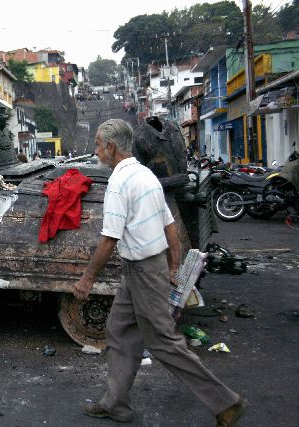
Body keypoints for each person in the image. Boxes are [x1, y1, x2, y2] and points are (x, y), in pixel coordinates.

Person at [74, 119, 245, 426]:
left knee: (163, 342)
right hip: (141, 268)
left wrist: (87, 278)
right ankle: (116, 403)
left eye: (98, 145)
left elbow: (109, 238)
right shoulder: (146, 176)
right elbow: (170, 226)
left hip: (143, 270)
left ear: (111, 147)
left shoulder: (120, 182)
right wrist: (173, 265)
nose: (96, 151)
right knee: (119, 331)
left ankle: (225, 402)